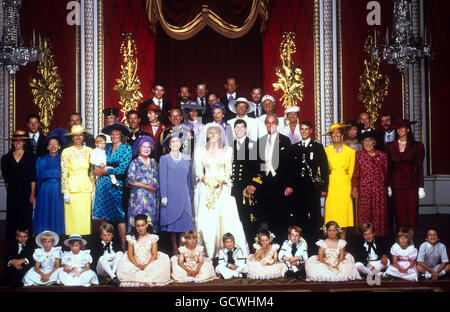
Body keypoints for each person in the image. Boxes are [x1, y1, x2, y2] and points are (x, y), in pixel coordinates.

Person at [192, 123, 249, 258]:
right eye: (211, 133)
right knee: (208, 219)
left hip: (223, 188)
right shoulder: (201, 151)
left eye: (216, 133)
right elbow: (199, 171)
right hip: (207, 189)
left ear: (220, 135)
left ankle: (230, 252)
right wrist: (208, 182)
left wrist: (220, 182)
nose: (213, 136)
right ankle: (209, 252)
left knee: (227, 217)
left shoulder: (227, 150)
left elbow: (229, 171)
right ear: (207, 135)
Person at [92, 123, 133, 250]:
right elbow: (97, 160)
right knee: (103, 215)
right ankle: (105, 246)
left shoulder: (127, 149)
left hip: (117, 185)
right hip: (103, 185)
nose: (114, 136)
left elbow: (122, 169)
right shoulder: (106, 147)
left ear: (121, 135)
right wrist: (97, 170)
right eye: (112, 134)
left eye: (117, 134)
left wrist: (104, 171)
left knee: (119, 215)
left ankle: (123, 246)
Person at [254, 115, 294, 242]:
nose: (270, 125)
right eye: (268, 123)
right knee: (265, 216)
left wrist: (289, 185)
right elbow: (257, 166)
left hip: (280, 184)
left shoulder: (285, 140)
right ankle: (267, 244)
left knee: (281, 215)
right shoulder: (260, 141)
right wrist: (256, 183)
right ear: (265, 124)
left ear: (277, 124)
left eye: (273, 123)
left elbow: (290, 165)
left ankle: (281, 243)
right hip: (265, 184)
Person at [290, 121, 329, 245]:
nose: (304, 132)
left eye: (306, 129)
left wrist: (324, 187)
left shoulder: (317, 147)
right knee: (300, 215)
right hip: (298, 188)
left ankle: (315, 242)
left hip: (313, 187)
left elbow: (324, 168)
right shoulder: (295, 147)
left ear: (311, 130)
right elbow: (291, 169)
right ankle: (302, 241)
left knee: (315, 215)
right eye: (302, 129)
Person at [386, 119, 425, 232]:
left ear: (408, 129)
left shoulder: (417, 146)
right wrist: (388, 185)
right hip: (396, 183)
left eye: (403, 128)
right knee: (399, 214)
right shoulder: (390, 146)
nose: (400, 130)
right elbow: (388, 167)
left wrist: (421, 186)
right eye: (398, 128)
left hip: (411, 183)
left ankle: (411, 242)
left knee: (411, 214)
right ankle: (400, 243)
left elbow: (419, 167)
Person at [159, 130, 194, 255]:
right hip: (170, 195)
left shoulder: (186, 158)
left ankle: (181, 246)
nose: (175, 144)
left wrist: (190, 194)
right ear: (169, 145)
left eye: (177, 142)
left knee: (184, 223)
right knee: (172, 223)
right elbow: (162, 178)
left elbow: (189, 178)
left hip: (183, 194)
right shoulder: (164, 159)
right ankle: (174, 248)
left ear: (181, 144)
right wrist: (164, 196)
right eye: (172, 142)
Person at [117, 214, 171, 286]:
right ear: (135, 227)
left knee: (162, 264)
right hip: (135, 262)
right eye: (138, 226)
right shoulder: (131, 238)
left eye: (142, 225)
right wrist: (137, 265)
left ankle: (144, 275)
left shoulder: (152, 238)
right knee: (124, 268)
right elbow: (130, 256)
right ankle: (142, 276)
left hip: (150, 262)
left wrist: (147, 265)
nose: (140, 228)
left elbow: (154, 255)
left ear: (146, 225)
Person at [351, 131, 388, 237]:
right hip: (364, 189)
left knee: (378, 214)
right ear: (362, 143)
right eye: (365, 141)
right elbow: (355, 174)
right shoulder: (358, 155)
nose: (367, 143)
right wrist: (354, 188)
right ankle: (365, 239)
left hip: (379, 190)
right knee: (365, 214)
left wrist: (385, 187)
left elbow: (386, 173)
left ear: (374, 143)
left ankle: (378, 239)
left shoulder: (382, 155)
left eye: (370, 140)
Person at [1, 130, 36, 240]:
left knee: (26, 217)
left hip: (26, 192)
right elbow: (6, 180)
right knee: (12, 217)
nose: (17, 143)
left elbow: (33, 178)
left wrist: (32, 194)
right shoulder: (5, 158)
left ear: (24, 142)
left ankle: (27, 243)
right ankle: (12, 243)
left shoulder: (31, 157)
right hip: (12, 192)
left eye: (20, 141)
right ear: (13, 142)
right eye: (15, 141)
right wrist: (11, 192)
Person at [231, 119, 260, 247]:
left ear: (246, 129)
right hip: (233, 189)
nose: (239, 130)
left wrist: (254, 184)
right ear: (234, 129)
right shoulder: (230, 146)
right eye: (237, 128)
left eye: (242, 128)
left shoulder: (253, 145)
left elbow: (259, 168)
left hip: (247, 189)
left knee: (249, 219)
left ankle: (253, 246)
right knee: (236, 219)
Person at [324, 123, 355, 239]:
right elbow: (323, 170)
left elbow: (351, 172)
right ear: (331, 136)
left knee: (343, 216)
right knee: (332, 214)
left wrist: (350, 187)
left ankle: (342, 246)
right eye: (333, 133)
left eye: (338, 133)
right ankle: (331, 245)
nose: (335, 135)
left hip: (345, 184)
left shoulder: (350, 151)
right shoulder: (326, 151)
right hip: (331, 184)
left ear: (342, 135)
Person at [61, 125, 94, 236]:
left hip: (85, 188)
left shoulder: (90, 151)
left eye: (80, 135)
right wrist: (65, 191)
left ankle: (84, 248)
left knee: (84, 218)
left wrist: (94, 189)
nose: (78, 138)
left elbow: (92, 172)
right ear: (72, 137)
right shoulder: (66, 152)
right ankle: (72, 247)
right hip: (72, 189)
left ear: (83, 136)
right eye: (75, 135)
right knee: (72, 218)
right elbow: (64, 172)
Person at [33, 132, 65, 235]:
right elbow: (38, 178)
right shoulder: (40, 160)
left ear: (59, 146)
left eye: (55, 144)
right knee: (45, 212)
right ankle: (43, 236)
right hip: (44, 190)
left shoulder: (63, 158)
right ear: (47, 147)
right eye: (51, 144)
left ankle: (58, 236)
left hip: (58, 190)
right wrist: (38, 193)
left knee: (57, 212)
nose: (53, 146)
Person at [126, 136, 160, 232]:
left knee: (150, 223)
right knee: (138, 222)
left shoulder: (154, 163)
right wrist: (147, 187)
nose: (146, 149)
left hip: (152, 198)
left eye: (148, 147)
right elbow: (130, 180)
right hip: (138, 198)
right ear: (139, 148)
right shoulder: (134, 163)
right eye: (144, 147)